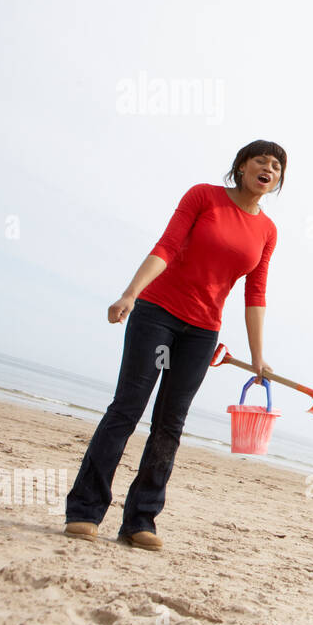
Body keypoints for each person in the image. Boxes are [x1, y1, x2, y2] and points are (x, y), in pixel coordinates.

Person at [64, 141, 285, 550]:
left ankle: (140, 521)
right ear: (241, 167)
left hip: (202, 332)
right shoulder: (204, 196)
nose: (268, 168)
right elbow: (167, 245)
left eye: (276, 166)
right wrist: (131, 293)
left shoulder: (267, 231)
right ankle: (84, 510)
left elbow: (255, 293)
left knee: (170, 424)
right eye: (261, 160)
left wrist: (257, 357)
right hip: (157, 312)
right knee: (128, 408)